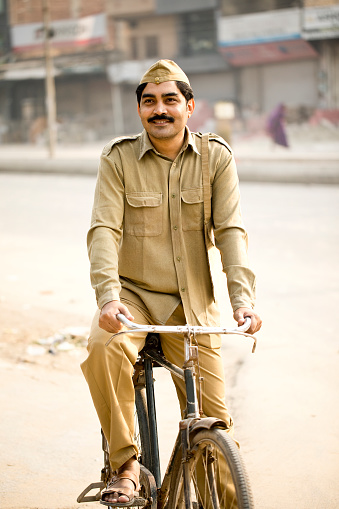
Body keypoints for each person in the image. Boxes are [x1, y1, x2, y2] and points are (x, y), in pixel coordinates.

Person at [81, 59, 262, 506]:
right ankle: (125, 466)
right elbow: (104, 231)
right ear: (140, 110)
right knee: (104, 348)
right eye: (149, 102)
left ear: (189, 106)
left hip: (192, 306)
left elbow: (231, 232)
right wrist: (107, 299)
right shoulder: (119, 158)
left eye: (170, 100)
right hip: (133, 300)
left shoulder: (216, 157)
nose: (159, 110)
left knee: (215, 423)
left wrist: (243, 301)